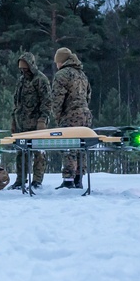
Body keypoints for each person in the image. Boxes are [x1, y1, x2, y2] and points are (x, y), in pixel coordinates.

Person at [51, 47, 92, 189]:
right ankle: (78, 179)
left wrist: (57, 116)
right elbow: (88, 95)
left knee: (68, 146)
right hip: (85, 115)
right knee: (81, 146)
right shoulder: (81, 74)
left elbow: (57, 99)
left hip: (70, 115)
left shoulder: (62, 75)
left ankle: (68, 180)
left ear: (60, 61)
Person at [10, 52, 52, 189]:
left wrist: (42, 120)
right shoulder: (21, 80)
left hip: (36, 124)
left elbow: (47, 101)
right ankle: (20, 179)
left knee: (38, 152)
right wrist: (14, 121)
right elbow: (16, 102)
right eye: (21, 68)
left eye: (25, 68)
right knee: (21, 153)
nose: (23, 70)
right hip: (21, 123)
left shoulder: (41, 80)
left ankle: (37, 181)